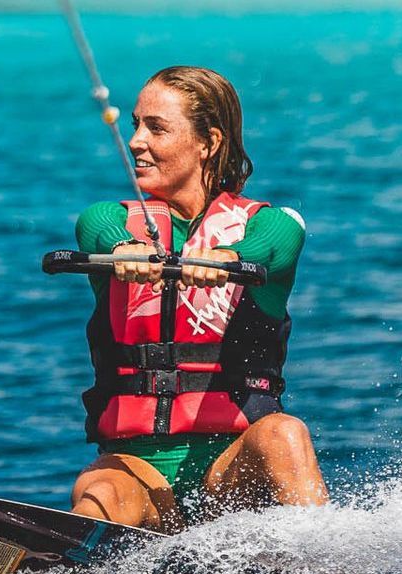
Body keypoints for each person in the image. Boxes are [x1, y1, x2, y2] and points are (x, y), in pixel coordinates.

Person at [66, 65, 327, 532]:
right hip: (139, 474)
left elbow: (271, 247)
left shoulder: (268, 225)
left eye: (156, 128)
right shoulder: (107, 220)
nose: (135, 142)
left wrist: (227, 258)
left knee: (284, 436)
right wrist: (125, 250)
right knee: (98, 492)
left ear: (208, 142)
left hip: (232, 475)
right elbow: (99, 230)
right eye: (135, 125)